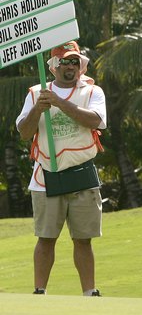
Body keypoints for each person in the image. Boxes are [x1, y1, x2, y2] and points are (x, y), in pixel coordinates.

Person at [16, 41, 106, 297]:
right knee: (46, 238)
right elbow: (24, 132)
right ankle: (39, 290)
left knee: (83, 239)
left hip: (81, 173)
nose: (69, 66)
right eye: (64, 61)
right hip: (46, 174)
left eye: (74, 61)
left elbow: (97, 121)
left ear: (81, 65)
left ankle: (89, 291)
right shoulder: (36, 93)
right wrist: (39, 108)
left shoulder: (92, 92)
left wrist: (59, 103)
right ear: (53, 66)